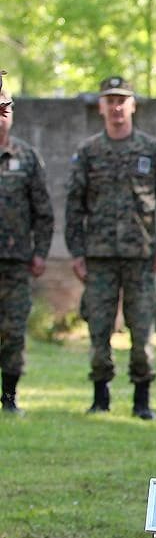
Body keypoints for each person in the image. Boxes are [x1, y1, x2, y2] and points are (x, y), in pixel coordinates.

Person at [65, 76, 156, 420]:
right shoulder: (88, 152)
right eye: (109, 100)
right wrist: (76, 252)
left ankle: (141, 400)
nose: (116, 107)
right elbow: (74, 205)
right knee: (98, 328)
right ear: (100, 107)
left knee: (142, 329)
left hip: (142, 258)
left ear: (132, 105)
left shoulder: (152, 150)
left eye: (122, 100)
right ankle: (100, 397)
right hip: (99, 258)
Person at [0, 87, 54, 414]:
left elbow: (43, 211)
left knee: (13, 330)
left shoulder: (27, 157)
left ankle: (9, 396)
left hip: (16, 262)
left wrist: (40, 252)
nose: (1, 117)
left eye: (5, 109)